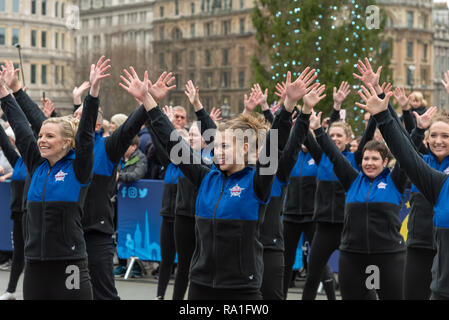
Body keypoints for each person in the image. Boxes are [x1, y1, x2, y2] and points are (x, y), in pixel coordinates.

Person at [119, 67, 315, 299]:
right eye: (216, 147)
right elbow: (173, 142)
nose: (218, 153)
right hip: (201, 283)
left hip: (241, 288)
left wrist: (290, 104)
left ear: (243, 148)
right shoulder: (205, 177)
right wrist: (147, 100)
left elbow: (274, 147)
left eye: (225, 147)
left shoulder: (256, 183)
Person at [0, 55, 109, 299]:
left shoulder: (78, 168)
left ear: (66, 143)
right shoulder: (36, 165)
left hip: (69, 264)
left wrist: (92, 94)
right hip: (36, 265)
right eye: (41, 136)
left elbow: (86, 137)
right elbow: (20, 125)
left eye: (50, 136)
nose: (42, 140)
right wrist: (5, 93)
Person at [356, 77, 449, 300]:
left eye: (445, 136)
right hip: (420, 250)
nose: (438, 141)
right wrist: (382, 113)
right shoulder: (437, 181)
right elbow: (405, 150)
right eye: (433, 135)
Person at [309, 107, 409, 299]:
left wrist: (386, 114)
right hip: (353, 257)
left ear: (385, 161)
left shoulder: (394, 181)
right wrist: (319, 131)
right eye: (365, 158)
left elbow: (406, 149)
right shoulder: (352, 180)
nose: (369, 163)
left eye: (375, 159)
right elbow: (334, 155)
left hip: (388, 256)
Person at [0, 124, 27, 300]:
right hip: (18, 214)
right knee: (19, 253)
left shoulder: (40, 163)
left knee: (34, 256)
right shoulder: (18, 162)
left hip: (34, 215)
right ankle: (10, 290)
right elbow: (3, 140)